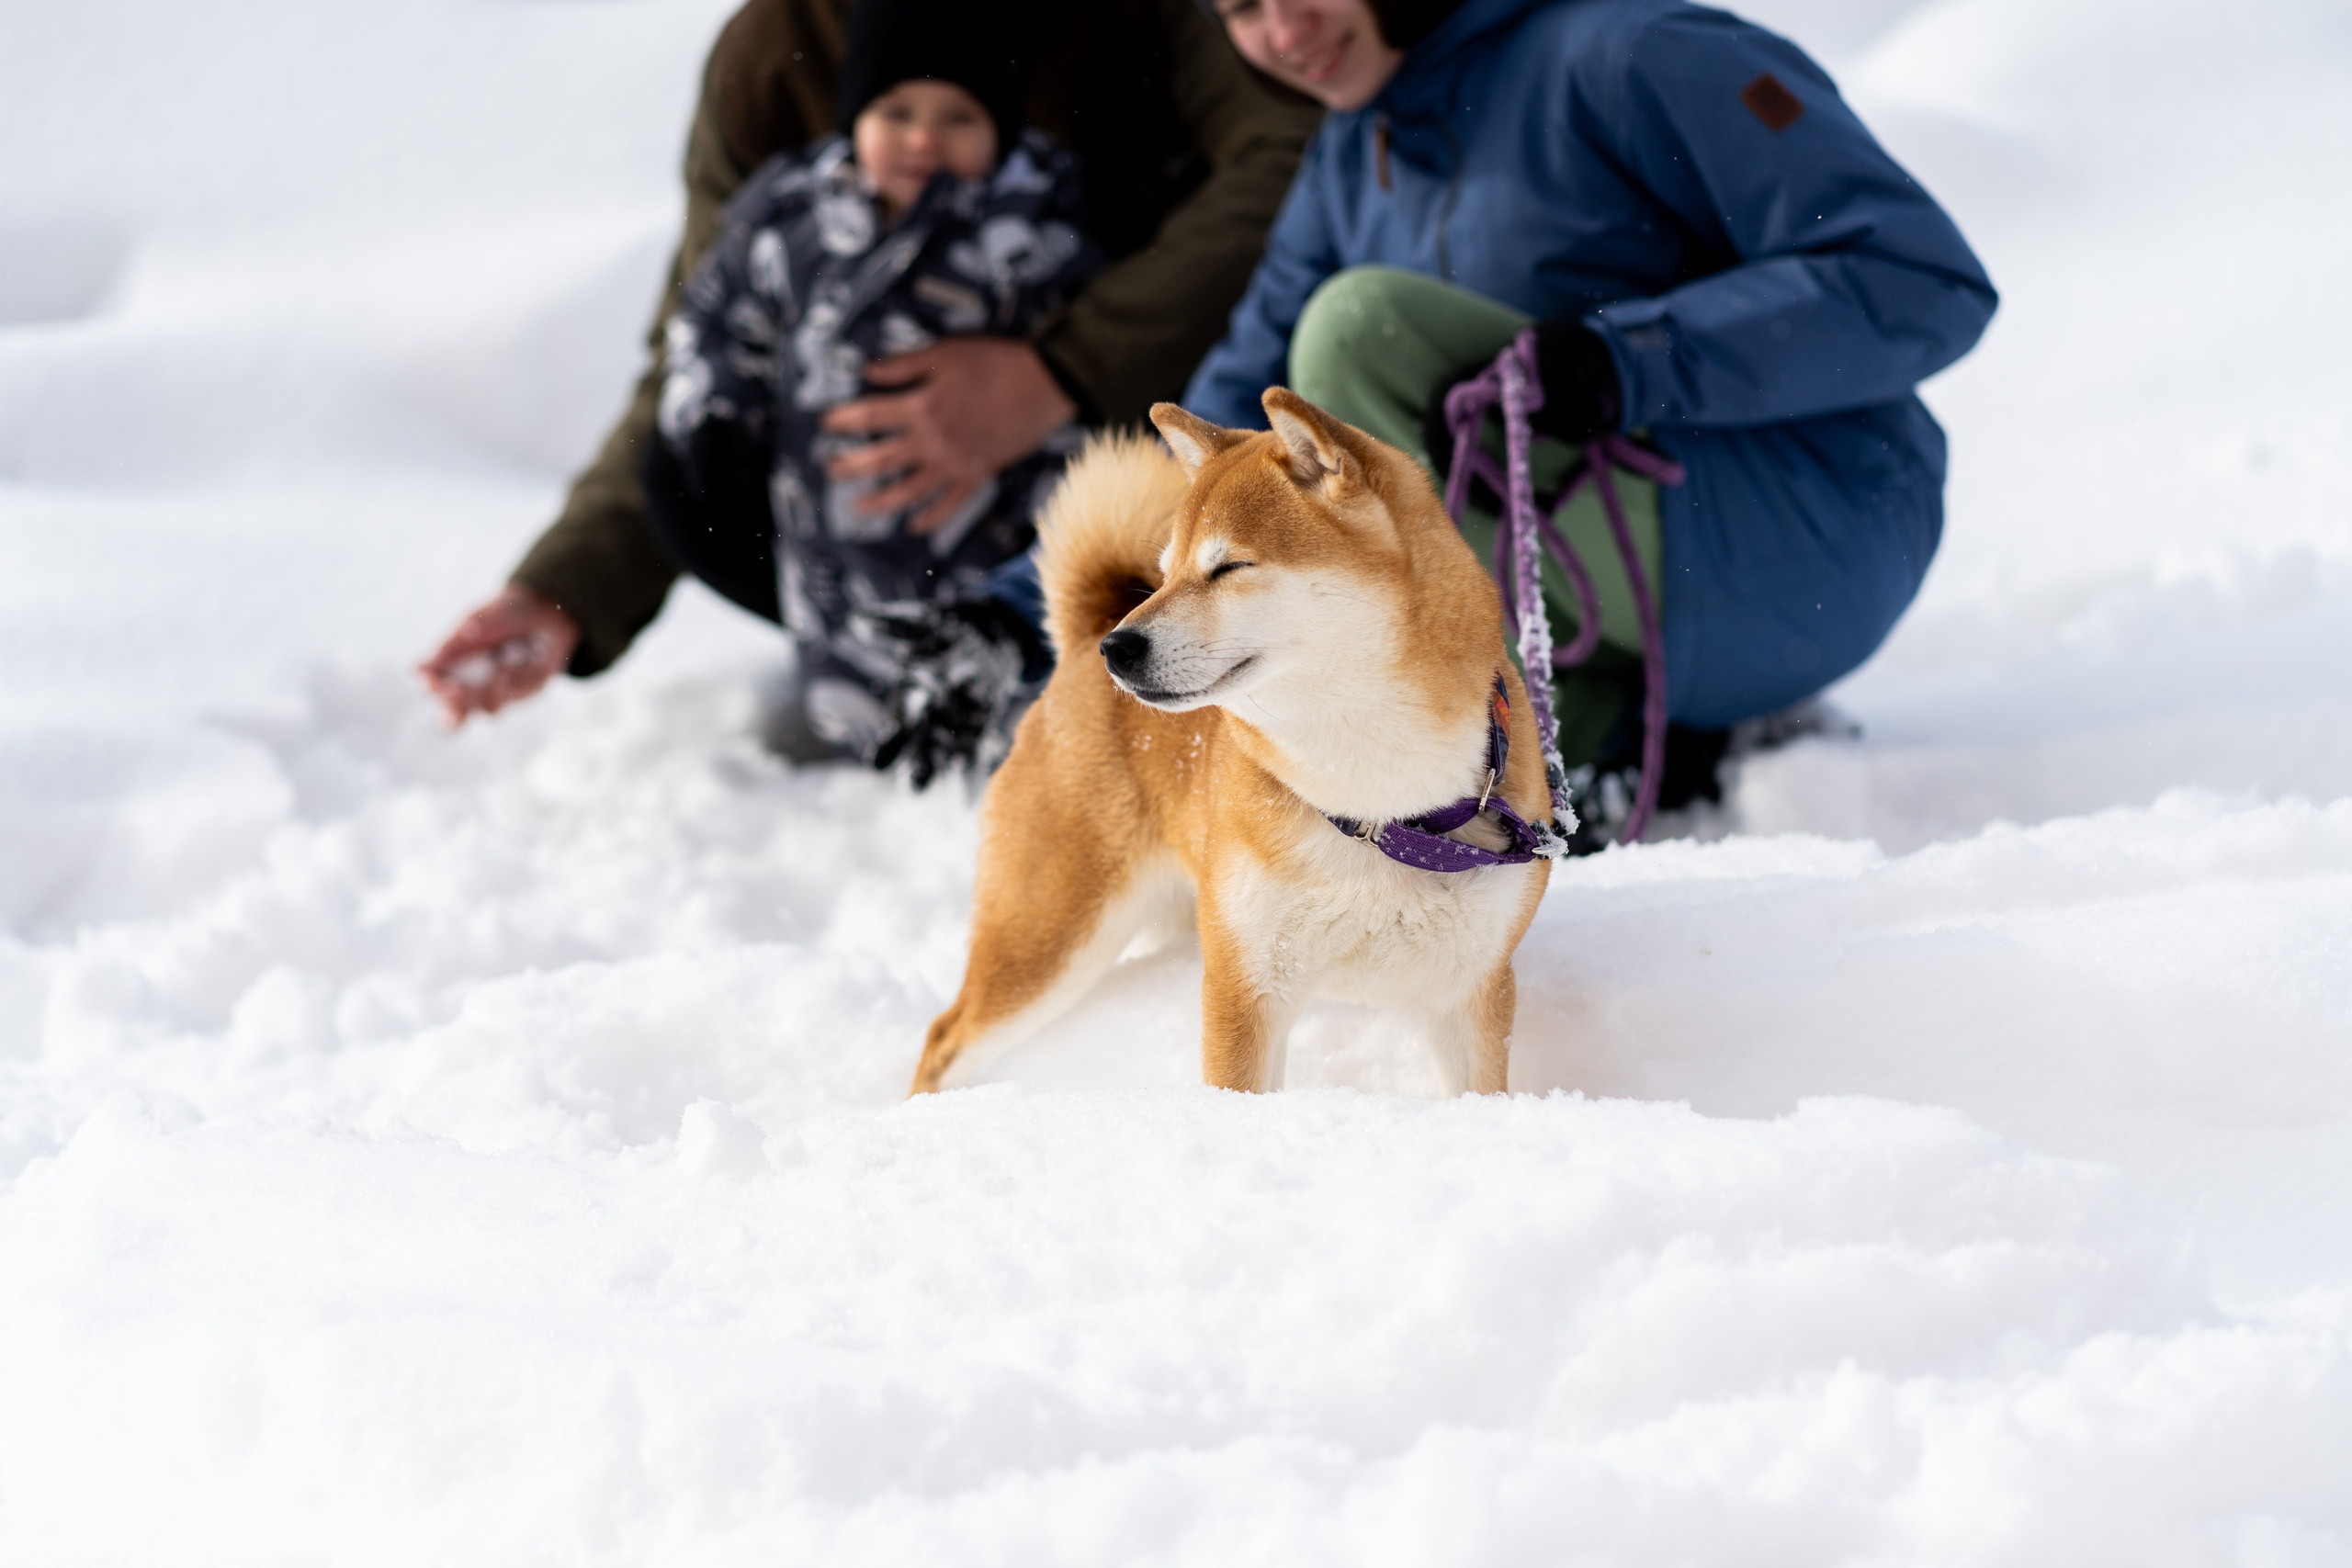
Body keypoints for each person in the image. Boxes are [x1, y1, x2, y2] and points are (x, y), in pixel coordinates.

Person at [420, 0, 1320, 766]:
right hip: (862, 519)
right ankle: (890, 689)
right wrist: (568, 586)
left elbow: (1291, 155)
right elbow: (704, 349)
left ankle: (1091, 677)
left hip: (1126, 448)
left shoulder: (1135, 20)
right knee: (688, 470)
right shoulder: (775, 55)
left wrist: (1066, 368)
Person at [1185, 0, 1998, 829]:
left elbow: (1921, 277)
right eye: (1244, 8)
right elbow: (1224, 409)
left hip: (1817, 519)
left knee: (1357, 337)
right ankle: (1588, 739)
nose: (1285, 32)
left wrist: (1632, 357)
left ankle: (1554, 724)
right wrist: (1066, 604)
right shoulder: (1351, 158)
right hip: (1616, 574)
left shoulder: (1632, 54)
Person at [643, 0, 1103, 773]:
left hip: (985, 512)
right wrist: (713, 413)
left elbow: (1083, 355)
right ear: (855, 116)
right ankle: (856, 755)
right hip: (830, 525)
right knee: (850, 659)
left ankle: (1006, 753)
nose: (924, 139)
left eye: (958, 117)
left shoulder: (1030, 228)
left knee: (1001, 681)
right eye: (898, 112)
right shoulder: (789, 218)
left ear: (1000, 129)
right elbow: (715, 321)